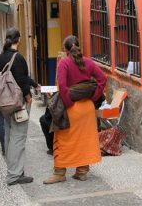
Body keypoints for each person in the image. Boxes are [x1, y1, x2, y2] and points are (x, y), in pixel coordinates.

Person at [43, 35, 106, 184]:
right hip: (87, 108)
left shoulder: (64, 63)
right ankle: (82, 171)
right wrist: (93, 98)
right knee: (84, 139)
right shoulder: (88, 62)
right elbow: (103, 79)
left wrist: (68, 103)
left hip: (71, 109)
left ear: (65, 49)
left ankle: (59, 173)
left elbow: (63, 87)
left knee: (62, 140)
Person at [0, 28, 37, 186]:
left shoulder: (0, 57)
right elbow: (21, 80)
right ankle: (14, 175)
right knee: (18, 138)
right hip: (17, 103)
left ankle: (15, 169)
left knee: (10, 136)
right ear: (18, 39)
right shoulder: (17, 57)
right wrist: (28, 96)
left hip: (5, 104)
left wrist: (35, 85)